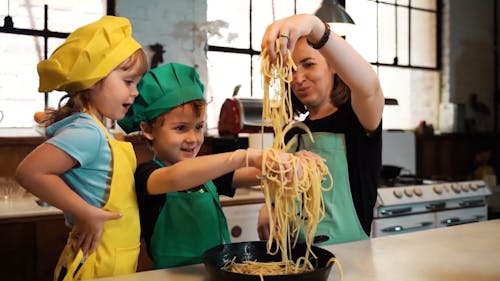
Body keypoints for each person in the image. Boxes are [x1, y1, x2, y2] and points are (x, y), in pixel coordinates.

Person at [117, 62, 300, 269]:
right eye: (180, 128)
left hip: (216, 271)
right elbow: (176, 177)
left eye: (198, 127)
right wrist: (243, 156)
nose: (193, 138)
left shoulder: (207, 172)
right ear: (148, 130)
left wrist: (290, 164)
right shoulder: (148, 175)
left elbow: (259, 173)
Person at [15, 16, 148, 280]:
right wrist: (86, 212)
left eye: (137, 83)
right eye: (128, 82)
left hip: (113, 260)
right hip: (95, 262)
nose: (134, 93)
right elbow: (29, 172)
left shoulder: (100, 130)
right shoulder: (87, 132)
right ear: (93, 80)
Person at [257, 14, 385, 245]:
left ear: (334, 67)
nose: (298, 79)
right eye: (292, 69)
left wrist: (316, 27)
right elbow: (279, 180)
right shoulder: (292, 131)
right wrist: (270, 204)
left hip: (348, 256)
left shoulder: (357, 119)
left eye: (309, 64)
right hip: (293, 252)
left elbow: (370, 87)